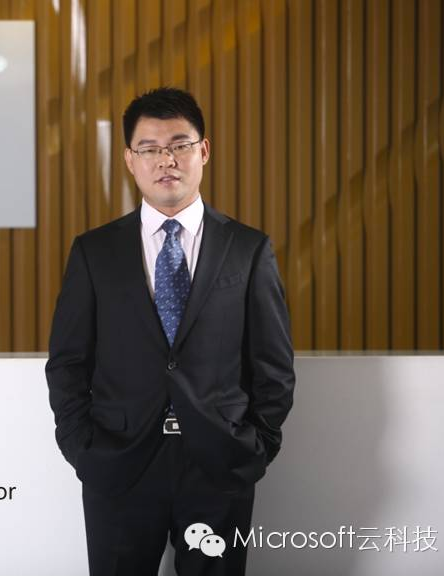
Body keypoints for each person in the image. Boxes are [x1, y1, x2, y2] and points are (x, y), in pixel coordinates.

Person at [45, 87, 295, 575]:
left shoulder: (248, 250)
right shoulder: (95, 252)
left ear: (204, 150)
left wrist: (254, 448)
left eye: (180, 145)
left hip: (219, 466)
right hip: (118, 465)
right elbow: (68, 362)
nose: (167, 160)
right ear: (129, 159)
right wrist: (83, 449)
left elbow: (274, 365)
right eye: (150, 148)